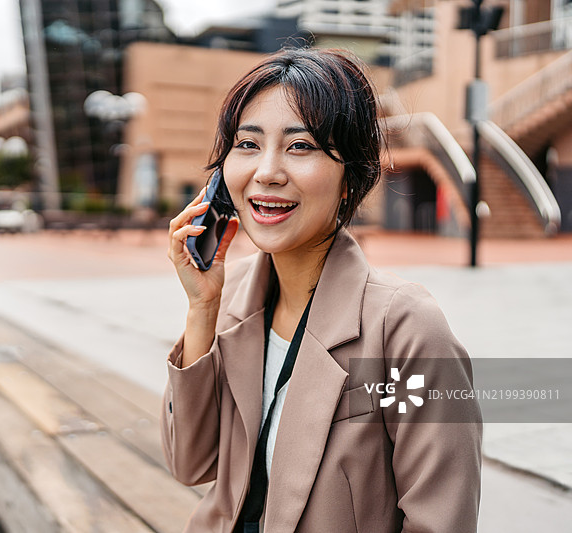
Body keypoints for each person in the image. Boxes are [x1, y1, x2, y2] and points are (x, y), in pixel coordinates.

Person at [164, 48, 482, 533]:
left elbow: (441, 520)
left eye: (300, 146)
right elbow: (191, 464)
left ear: (350, 176)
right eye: (247, 144)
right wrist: (202, 310)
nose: (266, 171)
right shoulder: (231, 297)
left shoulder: (404, 327)